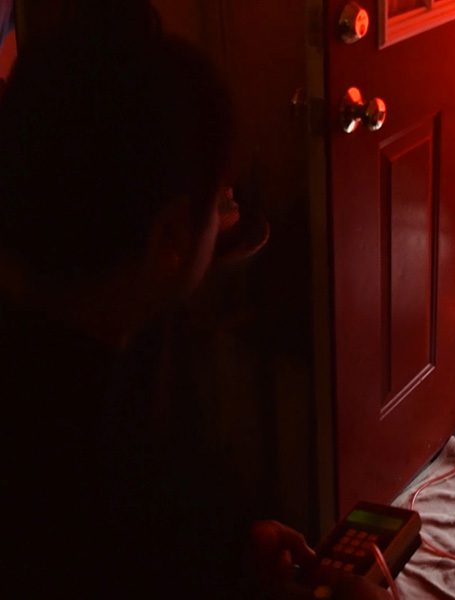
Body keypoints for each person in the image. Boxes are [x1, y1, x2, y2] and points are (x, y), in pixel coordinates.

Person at [0, 2, 388, 598]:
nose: (225, 212)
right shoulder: (90, 482)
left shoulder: (92, 347)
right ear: (173, 239)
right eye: (220, 199)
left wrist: (232, 546)